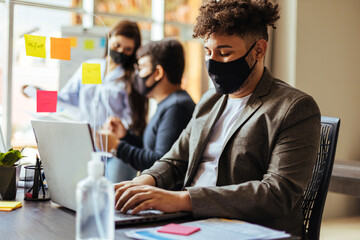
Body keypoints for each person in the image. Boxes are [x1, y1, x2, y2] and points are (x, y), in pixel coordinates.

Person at [112, 0, 321, 236]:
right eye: (208, 52)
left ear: (259, 50)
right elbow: (175, 160)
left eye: (224, 53)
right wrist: (142, 183)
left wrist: (182, 200)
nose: (212, 62)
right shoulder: (209, 100)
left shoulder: (294, 108)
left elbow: (276, 194)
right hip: (192, 221)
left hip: (249, 230)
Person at [23, 20, 148, 137]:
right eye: (117, 45)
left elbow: (132, 118)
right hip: (82, 136)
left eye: (128, 49)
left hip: (111, 141)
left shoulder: (130, 78)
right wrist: (37, 94)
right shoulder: (91, 67)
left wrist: (117, 129)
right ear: (109, 39)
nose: (121, 51)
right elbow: (67, 99)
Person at [99, 38, 195, 173]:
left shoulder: (176, 108)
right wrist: (125, 136)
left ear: (158, 73)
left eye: (141, 68)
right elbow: (152, 150)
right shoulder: (168, 104)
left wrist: (117, 146)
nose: (137, 74)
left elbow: (161, 163)